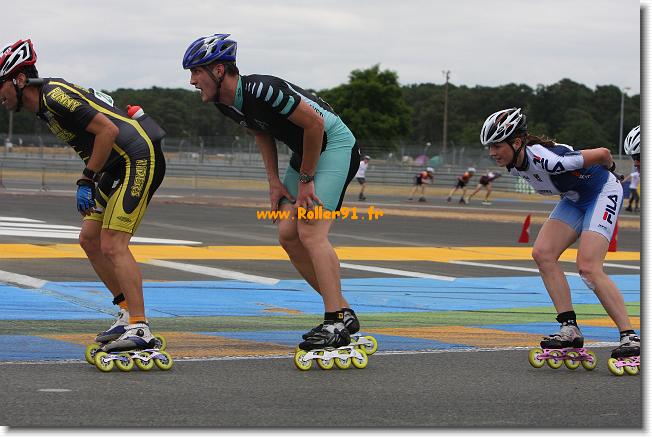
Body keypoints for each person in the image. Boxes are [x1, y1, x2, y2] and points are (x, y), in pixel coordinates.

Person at [182, 34, 362, 352]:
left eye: (196, 71)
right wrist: (273, 181)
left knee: (310, 231)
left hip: (333, 145)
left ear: (219, 70)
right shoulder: (226, 103)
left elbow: (315, 126)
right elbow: (261, 133)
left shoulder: (264, 90)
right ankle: (343, 312)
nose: (192, 80)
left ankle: (334, 321)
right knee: (288, 235)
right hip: (305, 151)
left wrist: (305, 180)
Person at [0, 39, 167, 353]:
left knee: (113, 244)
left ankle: (140, 327)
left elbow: (108, 131)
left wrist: (86, 179)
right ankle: (126, 313)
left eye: (1, 86)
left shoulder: (54, 96)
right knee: (89, 239)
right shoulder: (44, 105)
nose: (0, 95)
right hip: (114, 166)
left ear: (19, 80)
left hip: (137, 158)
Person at [480, 107, 639, 362]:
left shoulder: (549, 160)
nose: (492, 152)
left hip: (602, 191)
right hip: (574, 198)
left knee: (588, 267)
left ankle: (629, 336)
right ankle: (569, 328)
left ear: (517, 142)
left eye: (497, 145)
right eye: (490, 146)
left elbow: (603, 153)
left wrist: (611, 169)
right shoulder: (515, 164)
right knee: (543, 253)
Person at [623, 125, 640, 213]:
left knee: (635, 197)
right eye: (634, 157)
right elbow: (629, 176)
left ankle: (631, 207)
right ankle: (631, 207)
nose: (635, 163)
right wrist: (623, 181)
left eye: (639, 157)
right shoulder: (636, 173)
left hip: (633, 187)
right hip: (633, 187)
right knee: (635, 197)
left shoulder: (636, 174)